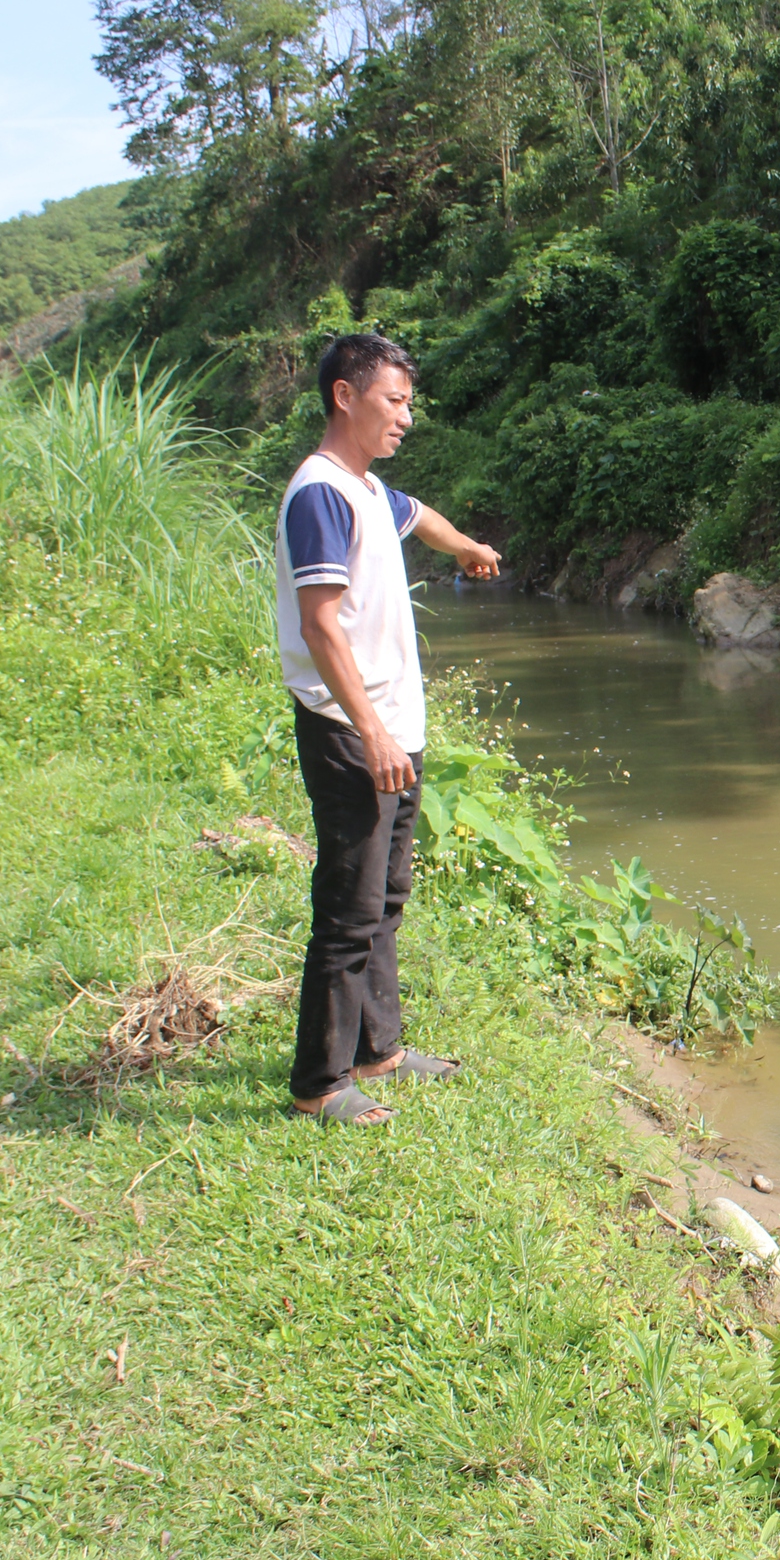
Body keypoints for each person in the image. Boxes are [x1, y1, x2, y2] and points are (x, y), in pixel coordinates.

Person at [275, 332, 502, 1125]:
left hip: (391, 728)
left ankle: (379, 1051)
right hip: (349, 729)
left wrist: (467, 545)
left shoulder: (369, 492)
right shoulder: (321, 495)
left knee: (385, 897)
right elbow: (320, 625)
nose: (407, 417)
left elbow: (420, 515)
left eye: (409, 402)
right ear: (346, 394)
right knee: (346, 908)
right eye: (394, 400)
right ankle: (319, 1084)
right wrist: (369, 731)